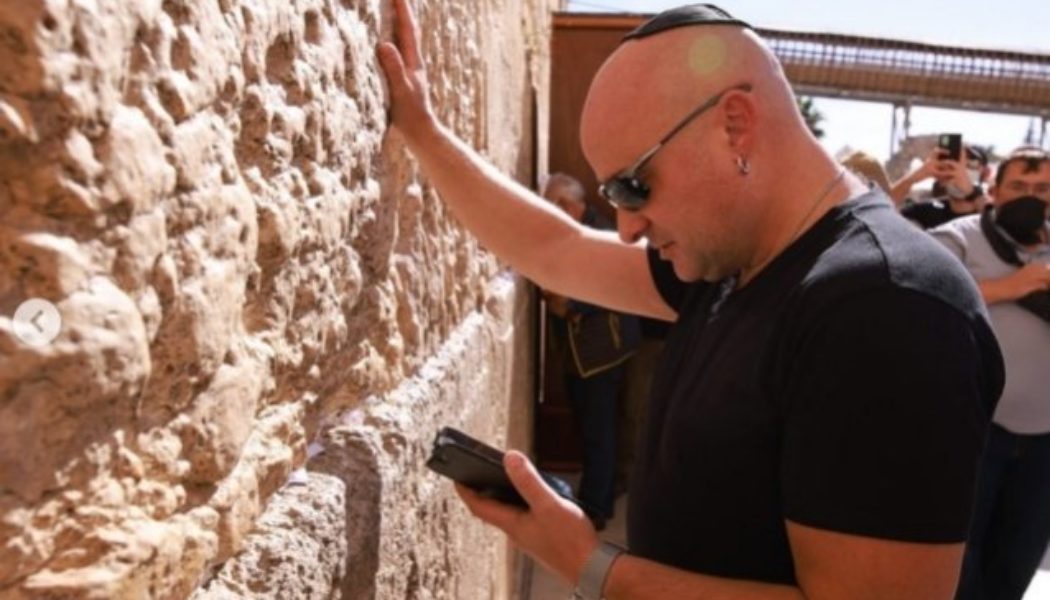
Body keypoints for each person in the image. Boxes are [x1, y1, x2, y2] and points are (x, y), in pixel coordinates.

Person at [376, 2, 1004, 598]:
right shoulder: (732, 259)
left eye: (633, 185)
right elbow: (558, 250)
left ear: (735, 124)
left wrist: (586, 563)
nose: (627, 226)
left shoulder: (887, 310)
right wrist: (425, 133)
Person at [929, 146, 1050, 600]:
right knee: (959, 562)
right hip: (976, 432)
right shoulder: (959, 237)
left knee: (1017, 560)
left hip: (1044, 443)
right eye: (1019, 187)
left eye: (1042, 189)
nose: (1030, 197)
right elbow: (925, 287)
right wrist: (1015, 286)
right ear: (995, 190)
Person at [540, 172, 635, 530]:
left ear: (568, 206)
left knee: (600, 430)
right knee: (591, 426)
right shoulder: (581, 229)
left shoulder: (605, 235)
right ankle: (599, 493)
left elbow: (617, 286)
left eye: (553, 204)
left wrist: (569, 304)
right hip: (581, 352)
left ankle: (596, 508)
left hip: (600, 350)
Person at [890, 144, 991, 229]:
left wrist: (971, 193)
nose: (961, 172)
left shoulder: (992, 212)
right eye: (953, 165)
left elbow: (996, 226)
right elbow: (879, 211)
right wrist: (912, 179)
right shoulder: (927, 212)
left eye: (970, 165)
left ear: (985, 173)